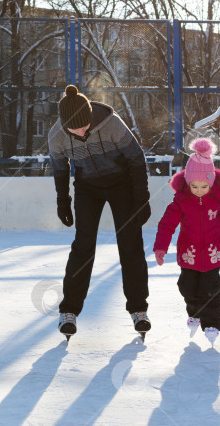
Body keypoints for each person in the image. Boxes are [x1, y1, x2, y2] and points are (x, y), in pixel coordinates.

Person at [48, 85, 152, 339]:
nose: (82, 132)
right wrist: (63, 200)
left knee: (130, 244)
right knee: (83, 245)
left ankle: (139, 309)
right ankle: (69, 311)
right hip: (87, 187)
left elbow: (137, 159)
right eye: (75, 129)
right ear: (64, 125)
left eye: (85, 126)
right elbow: (61, 170)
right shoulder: (56, 136)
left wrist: (142, 198)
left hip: (122, 183)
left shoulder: (111, 123)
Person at [153, 138, 220, 346]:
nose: (199, 190)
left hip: (212, 253)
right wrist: (161, 247)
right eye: (194, 186)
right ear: (187, 182)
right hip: (188, 254)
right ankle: (195, 313)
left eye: (203, 186)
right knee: (187, 286)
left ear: (211, 181)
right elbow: (166, 224)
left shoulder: (219, 197)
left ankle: (212, 324)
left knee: (211, 289)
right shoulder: (181, 200)